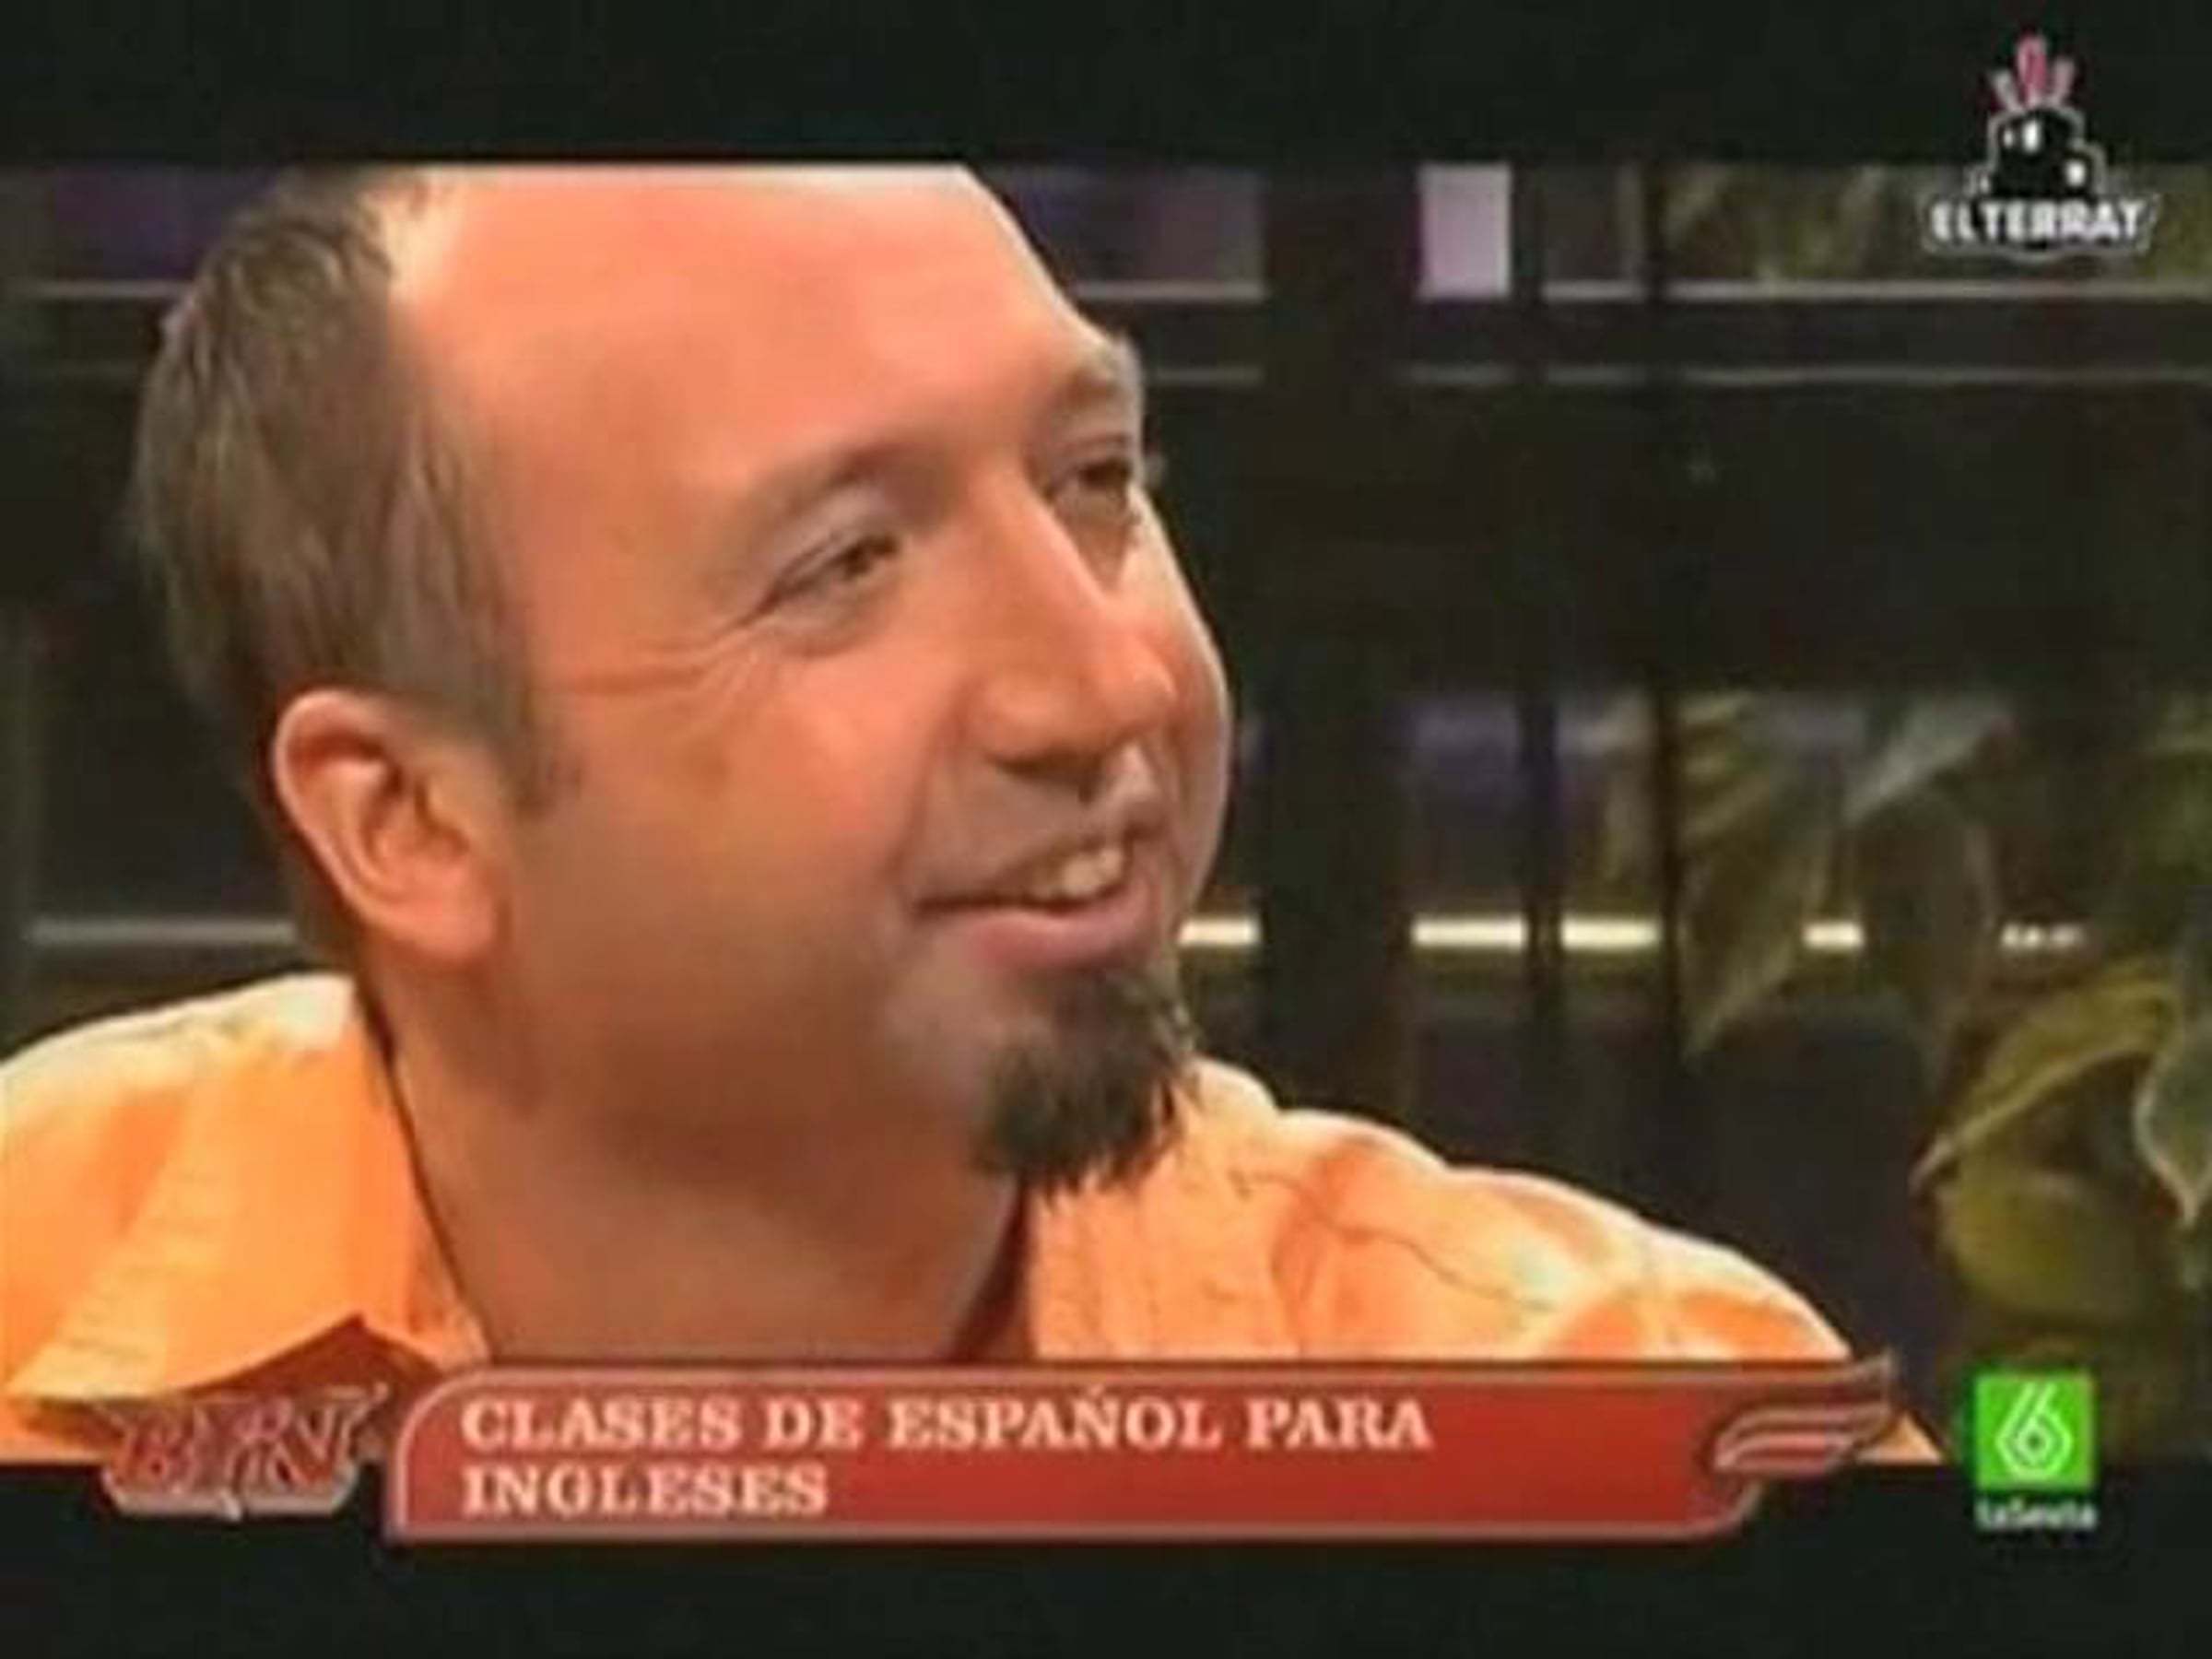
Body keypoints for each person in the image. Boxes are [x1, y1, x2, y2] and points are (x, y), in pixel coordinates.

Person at [0, 168, 1927, 1462]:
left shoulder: (1641, 1430)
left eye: (1096, 479)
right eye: (845, 565)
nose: (1108, 688)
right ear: (410, 817)